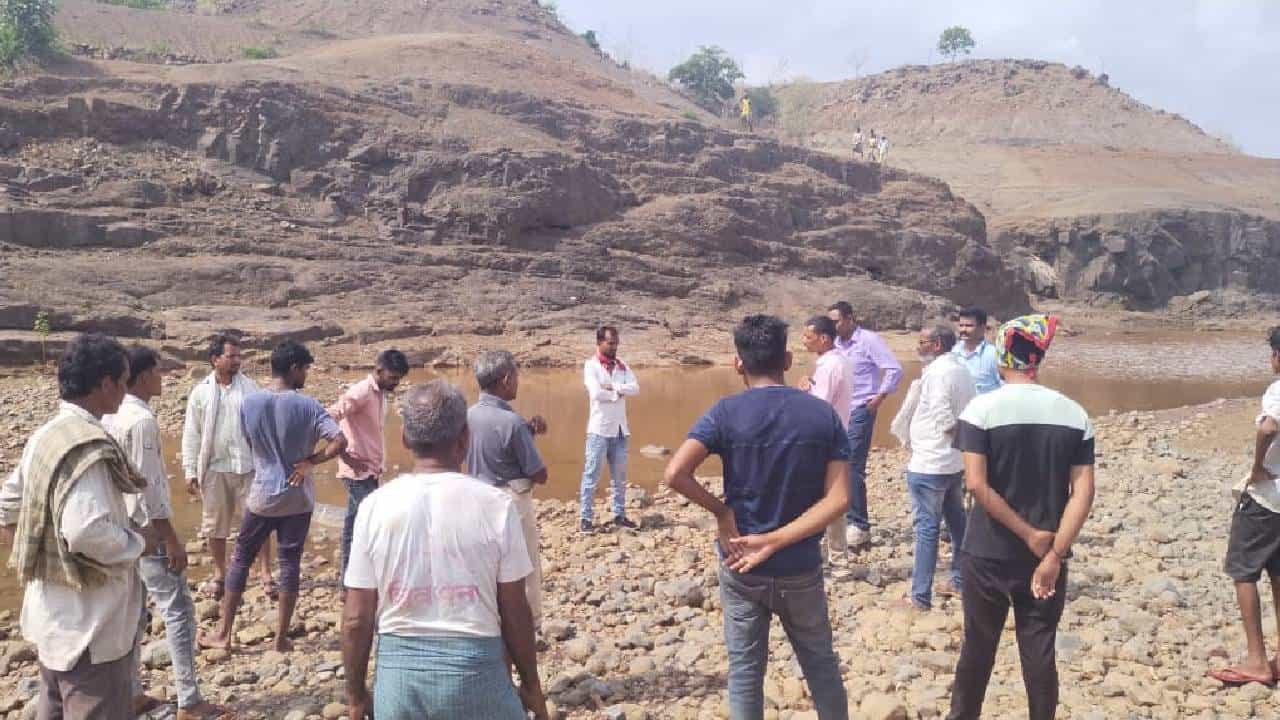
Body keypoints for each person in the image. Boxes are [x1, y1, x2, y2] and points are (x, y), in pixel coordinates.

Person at [665, 315, 851, 720]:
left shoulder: (724, 413)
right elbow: (838, 499)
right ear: (787, 359)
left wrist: (721, 511)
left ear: (738, 363)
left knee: (746, 672)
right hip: (800, 565)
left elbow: (675, 473)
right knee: (820, 665)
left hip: (741, 562)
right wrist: (779, 539)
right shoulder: (822, 415)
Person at [342, 381, 547, 720]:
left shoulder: (374, 507)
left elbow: (355, 619)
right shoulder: (497, 505)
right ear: (465, 439)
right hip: (477, 672)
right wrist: (530, 685)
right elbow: (514, 609)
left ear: (405, 439)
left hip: (400, 682)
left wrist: (355, 696)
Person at [947, 315, 1096, 720]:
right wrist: (1055, 553)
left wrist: (1027, 534)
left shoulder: (981, 409)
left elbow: (976, 484)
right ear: (1037, 359)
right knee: (1039, 650)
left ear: (1001, 358)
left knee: (978, 649)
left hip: (987, 552)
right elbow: (1083, 493)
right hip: (1046, 556)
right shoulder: (1074, 414)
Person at [0, 334, 149, 719]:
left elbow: (7, 505)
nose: (125, 391)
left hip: (52, 620)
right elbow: (85, 531)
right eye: (124, 381)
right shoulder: (88, 446)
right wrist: (136, 543)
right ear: (106, 383)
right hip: (92, 631)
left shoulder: (46, 436)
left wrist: (38, 556)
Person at [198, 340, 347, 653]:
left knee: (241, 559)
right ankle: (280, 639)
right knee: (289, 563)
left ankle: (224, 633)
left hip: (263, 495)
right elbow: (339, 441)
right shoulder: (309, 406)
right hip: (298, 498)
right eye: (305, 369)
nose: (306, 375)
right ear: (294, 369)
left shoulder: (250, 403)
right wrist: (310, 462)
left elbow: (250, 442)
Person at [104, 346, 226, 720]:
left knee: (133, 612)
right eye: (158, 371)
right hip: (147, 532)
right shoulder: (141, 421)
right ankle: (189, 700)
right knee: (178, 611)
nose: (163, 378)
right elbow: (150, 486)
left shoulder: (111, 415)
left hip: (121, 529)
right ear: (142, 377)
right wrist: (170, 537)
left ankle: (132, 694)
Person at [1210, 326, 1280, 686]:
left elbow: (1268, 428)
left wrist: (1256, 468)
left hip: (1269, 495)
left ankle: (1257, 660)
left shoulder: (1278, 389)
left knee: (1243, 569)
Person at [888, 326, 974, 610]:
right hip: (952, 462)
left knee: (927, 530)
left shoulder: (938, 373)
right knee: (958, 524)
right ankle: (959, 581)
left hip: (930, 463)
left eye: (922, 342)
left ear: (937, 345)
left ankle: (920, 597)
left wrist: (952, 439)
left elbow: (943, 416)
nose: (917, 346)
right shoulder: (961, 370)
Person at [181, 334, 273, 600]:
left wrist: (270, 464)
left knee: (260, 521)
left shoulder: (251, 389)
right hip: (215, 468)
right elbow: (192, 433)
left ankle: (265, 572)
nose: (237, 360)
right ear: (215, 360)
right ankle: (220, 574)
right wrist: (190, 470)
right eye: (231, 356)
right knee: (215, 525)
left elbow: (264, 427)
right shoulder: (200, 393)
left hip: (249, 467)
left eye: (238, 356)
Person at [466, 350, 550, 628]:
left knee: (487, 565)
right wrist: (527, 437)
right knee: (524, 566)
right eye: (515, 376)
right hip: (511, 502)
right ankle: (529, 624)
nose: (517, 382)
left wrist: (528, 433)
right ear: (505, 380)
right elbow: (539, 474)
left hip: (477, 499)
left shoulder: (468, 416)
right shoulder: (512, 423)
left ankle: (489, 619)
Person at [827, 301, 903, 549]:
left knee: (852, 465)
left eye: (836, 321)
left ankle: (859, 525)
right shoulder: (834, 344)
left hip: (861, 408)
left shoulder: (868, 340)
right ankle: (838, 517)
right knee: (834, 464)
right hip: (837, 411)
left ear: (849, 318)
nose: (833, 326)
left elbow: (894, 369)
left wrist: (880, 397)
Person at [329, 348, 409, 581]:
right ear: (379, 370)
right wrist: (343, 455)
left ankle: (349, 581)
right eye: (393, 378)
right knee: (373, 523)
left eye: (399, 379)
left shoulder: (379, 392)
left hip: (370, 470)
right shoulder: (362, 392)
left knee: (353, 525)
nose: (396, 383)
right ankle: (364, 578)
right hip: (357, 473)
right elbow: (330, 416)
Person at [799, 315, 855, 573]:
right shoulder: (840, 360)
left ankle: (831, 557)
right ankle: (831, 555)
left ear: (823, 338)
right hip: (837, 433)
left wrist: (804, 391)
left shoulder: (829, 366)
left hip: (824, 439)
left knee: (824, 498)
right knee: (830, 497)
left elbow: (819, 407)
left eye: (808, 336)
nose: (804, 341)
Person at [579, 325, 640, 533]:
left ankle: (619, 515)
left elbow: (635, 388)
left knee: (620, 477)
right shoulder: (591, 366)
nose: (614, 347)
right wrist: (618, 394)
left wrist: (614, 388)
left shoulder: (622, 366)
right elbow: (596, 393)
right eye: (610, 343)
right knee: (591, 475)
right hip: (599, 430)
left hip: (620, 430)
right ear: (599, 343)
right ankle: (586, 518)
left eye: (616, 343)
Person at [954, 307, 1002, 394]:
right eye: (961, 325)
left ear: (982, 328)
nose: (963, 329)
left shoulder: (993, 354)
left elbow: (1004, 387)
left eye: (969, 326)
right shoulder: (953, 352)